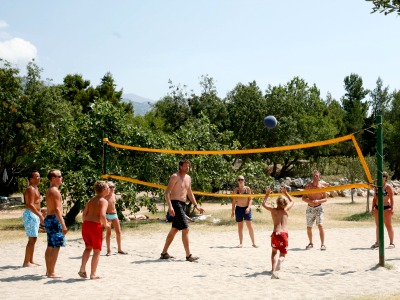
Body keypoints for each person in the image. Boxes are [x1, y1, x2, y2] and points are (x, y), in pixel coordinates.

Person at [160, 159, 205, 262]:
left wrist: (196, 205)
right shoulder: (175, 176)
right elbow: (167, 193)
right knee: (186, 229)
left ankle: (164, 253)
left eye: (188, 166)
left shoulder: (188, 178)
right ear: (180, 166)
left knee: (175, 229)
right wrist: (170, 207)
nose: (187, 168)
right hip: (176, 204)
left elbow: (189, 192)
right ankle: (189, 256)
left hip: (183, 204)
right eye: (185, 166)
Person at [78, 181, 110, 279]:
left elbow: (84, 214)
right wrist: (106, 225)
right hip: (95, 226)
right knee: (97, 251)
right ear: (104, 190)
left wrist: (86, 223)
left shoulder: (91, 200)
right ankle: (93, 273)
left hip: (86, 225)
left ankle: (82, 269)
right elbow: (102, 215)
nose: (109, 189)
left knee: (88, 248)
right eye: (108, 188)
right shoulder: (104, 201)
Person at [262, 187, 294, 279]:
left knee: (274, 252)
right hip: (284, 234)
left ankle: (273, 270)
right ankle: (280, 262)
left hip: (275, 233)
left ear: (277, 203)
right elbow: (292, 201)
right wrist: (286, 193)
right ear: (285, 203)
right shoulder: (286, 210)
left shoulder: (273, 210)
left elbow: (263, 204)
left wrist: (267, 193)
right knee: (282, 254)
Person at [44, 169, 67, 278]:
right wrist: (63, 224)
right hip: (54, 219)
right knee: (55, 246)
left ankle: (49, 270)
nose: (61, 178)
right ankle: (51, 272)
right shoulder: (54, 191)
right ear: (53, 178)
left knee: (50, 245)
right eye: (59, 176)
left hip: (50, 218)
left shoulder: (50, 190)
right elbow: (57, 209)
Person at [302, 170, 328, 251]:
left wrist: (318, 201)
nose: (315, 177)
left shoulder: (322, 187)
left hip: (319, 208)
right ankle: (310, 243)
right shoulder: (308, 186)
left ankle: (323, 244)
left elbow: (326, 199)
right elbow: (303, 198)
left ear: (319, 177)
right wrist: (309, 201)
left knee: (320, 225)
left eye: (316, 175)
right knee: (309, 227)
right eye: (314, 176)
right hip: (310, 208)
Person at [22, 170, 44, 267]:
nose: (38, 178)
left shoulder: (36, 188)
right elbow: (30, 204)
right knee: (32, 239)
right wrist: (39, 215)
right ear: (31, 179)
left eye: (39, 176)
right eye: (36, 177)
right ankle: (26, 262)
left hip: (34, 214)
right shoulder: (30, 189)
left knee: (34, 239)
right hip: (31, 214)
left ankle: (30, 260)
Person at [371, 171, 395, 249]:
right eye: (380, 176)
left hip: (386, 208)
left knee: (388, 225)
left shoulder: (388, 187)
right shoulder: (377, 187)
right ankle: (377, 243)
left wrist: (392, 208)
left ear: (386, 178)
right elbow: (375, 199)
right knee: (378, 226)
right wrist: (372, 208)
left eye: (383, 176)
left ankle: (392, 243)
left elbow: (391, 198)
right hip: (378, 208)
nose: (381, 177)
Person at [231, 175, 257, 248]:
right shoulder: (236, 190)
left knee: (250, 226)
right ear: (237, 181)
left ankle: (253, 243)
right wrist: (232, 211)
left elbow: (250, 199)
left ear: (244, 180)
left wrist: (248, 207)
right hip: (238, 208)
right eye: (239, 180)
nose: (240, 181)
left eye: (242, 179)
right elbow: (233, 201)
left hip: (246, 208)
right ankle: (241, 243)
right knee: (240, 227)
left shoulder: (247, 189)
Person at [105, 182, 127, 256]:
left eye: (113, 186)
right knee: (108, 233)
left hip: (114, 215)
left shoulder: (114, 195)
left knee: (119, 232)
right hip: (107, 216)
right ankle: (108, 250)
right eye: (110, 187)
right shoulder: (105, 196)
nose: (112, 188)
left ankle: (119, 249)